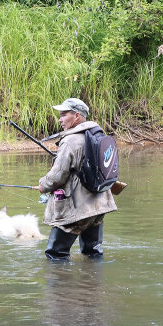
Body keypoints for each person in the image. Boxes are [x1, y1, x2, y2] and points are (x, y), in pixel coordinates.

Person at [33, 97, 117, 260]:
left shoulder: (70, 141)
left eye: (64, 114)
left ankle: (59, 278)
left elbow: (56, 177)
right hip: (99, 206)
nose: (60, 119)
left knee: (55, 255)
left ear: (77, 116)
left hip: (76, 208)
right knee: (93, 253)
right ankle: (94, 277)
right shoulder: (97, 135)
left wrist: (43, 185)